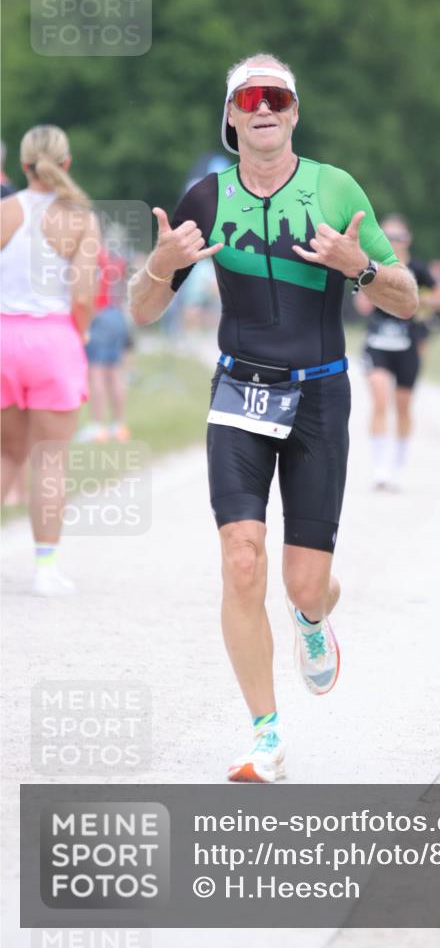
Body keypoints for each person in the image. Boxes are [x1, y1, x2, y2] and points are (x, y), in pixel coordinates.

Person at [128, 53, 417, 782]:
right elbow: (141, 308)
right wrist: (161, 266)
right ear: (231, 115)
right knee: (240, 558)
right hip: (239, 394)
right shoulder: (205, 196)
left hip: (320, 392)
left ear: (294, 110)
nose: (264, 107)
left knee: (303, 584)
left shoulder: (334, 188)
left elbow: (407, 298)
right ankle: (265, 734)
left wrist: (360, 267)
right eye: (249, 97)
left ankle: (314, 619)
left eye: (277, 96)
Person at [0, 124, 100, 594]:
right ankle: (44, 569)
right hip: (52, 340)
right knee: (50, 461)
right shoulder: (79, 218)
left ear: (22, 165)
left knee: (6, 455)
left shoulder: (5, 210)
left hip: (3, 337)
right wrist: (76, 337)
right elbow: (83, 294)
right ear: (67, 163)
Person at [356, 214, 440, 490]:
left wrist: (417, 299)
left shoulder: (418, 270)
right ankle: (380, 468)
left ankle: (398, 463)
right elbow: (362, 306)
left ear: (408, 240)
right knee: (380, 398)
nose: (394, 243)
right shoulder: (372, 266)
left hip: (408, 344)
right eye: (388, 237)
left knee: (403, 405)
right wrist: (377, 288)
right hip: (378, 343)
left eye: (399, 237)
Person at [78, 227, 132, 443]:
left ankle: (97, 426)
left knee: (97, 373)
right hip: (117, 314)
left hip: (99, 315)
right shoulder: (118, 257)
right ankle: (118, 426)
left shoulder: (93, 255)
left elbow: (88, 289)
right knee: (115, 373)